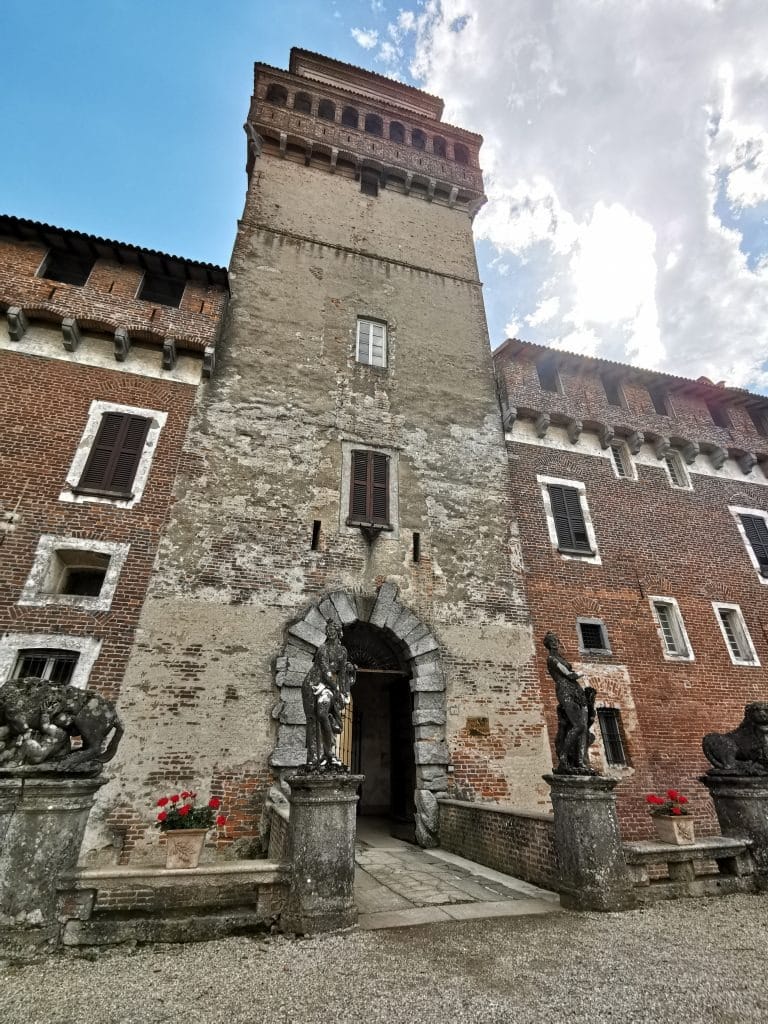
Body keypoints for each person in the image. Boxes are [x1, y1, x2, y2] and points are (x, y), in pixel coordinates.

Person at [302, 620, 355, 769]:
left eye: (333, 629)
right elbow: (326, 672)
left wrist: (344, 692)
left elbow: (342, 672)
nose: (330, 632)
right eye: (328, 629)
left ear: (338, 632)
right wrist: (337, 690)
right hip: (313, 684)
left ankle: (329, 752)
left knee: (323, 714)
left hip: (328, 687)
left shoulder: (343, 651)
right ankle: (314, 759)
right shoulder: (323, 649)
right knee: (313, 720)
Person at [543, 631, 597, 775]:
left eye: (556, 640)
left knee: (584, 728)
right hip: (565, 691)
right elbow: (569, 674)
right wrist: (582, 672)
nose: (555, 642)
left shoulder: (560, 657)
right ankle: (563, 758)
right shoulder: (551, 659)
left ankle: (580, 762)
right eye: (551, 641)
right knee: (578, 725)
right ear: (548, 644)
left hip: (576, 690)